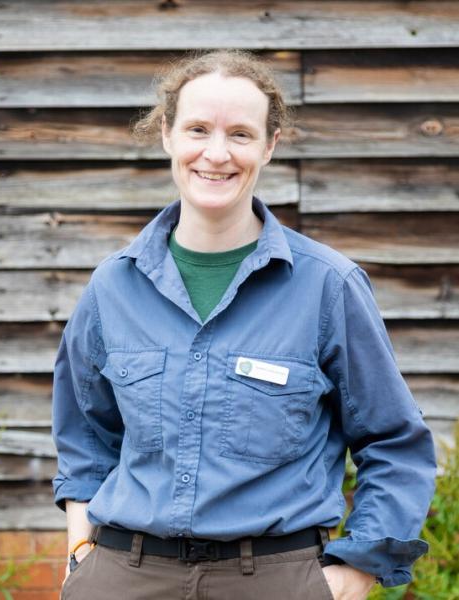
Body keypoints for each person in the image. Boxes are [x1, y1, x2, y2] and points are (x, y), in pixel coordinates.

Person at [52, 49, 436, 600]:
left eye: (240, 134)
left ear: (269, 146)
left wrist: (354, 573)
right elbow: (86, 436)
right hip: (123, 575)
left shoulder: (328, 286)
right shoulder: (113, 287)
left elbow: (395, 441)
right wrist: (81, 554)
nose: (215, 153)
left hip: (276, 579)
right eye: (198, 129)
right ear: (167, 134)